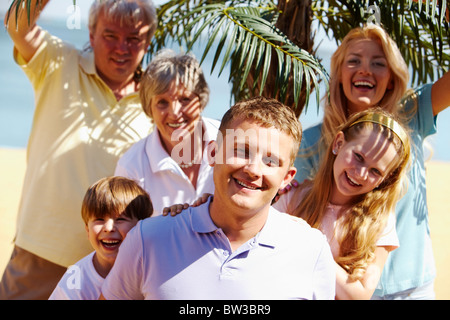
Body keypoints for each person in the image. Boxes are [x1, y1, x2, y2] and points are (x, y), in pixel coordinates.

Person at [100, 96, 336, 300]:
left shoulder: (310, 250)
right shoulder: (147, 239)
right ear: (213, 153)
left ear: (287, 177)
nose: (253, 169)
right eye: (241, 151)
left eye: (270, 161)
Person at [0, 0, 157, 300]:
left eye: (134, 38)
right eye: (110, 35)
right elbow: (17, 26)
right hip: (43, 250)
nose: (122, 48)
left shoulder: (157, 99)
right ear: (92, 33)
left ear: (147, 41)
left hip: (117, 260)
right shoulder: (59, 62)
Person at [294, 24, 450, 299]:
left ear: (391, 78)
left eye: (379, 63)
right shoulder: (309, 144)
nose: (365, 69)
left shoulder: (413, 114)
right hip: (340, 289)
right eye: (354, 61)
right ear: (340, 74)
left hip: (413, 289)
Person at [275, 109, 411, 299]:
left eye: (375, 171)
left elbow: (360, 295)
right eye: (359, 157)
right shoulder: (293, 197)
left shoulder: (380, 222)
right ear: (339, 143)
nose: (361, 173)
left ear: (385, 180)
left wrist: (312, 244)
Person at [114, 49, 219, 215]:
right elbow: (128, 236)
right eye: (162, 102)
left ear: (201, 100)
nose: (175, 113)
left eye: (185, 99)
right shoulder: (131, 168)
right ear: (149, 108)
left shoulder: (230, 141)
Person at [49, 176, 153, 300]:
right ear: (87, 229)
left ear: (141, 226)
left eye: (120, 219)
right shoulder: (76, 279)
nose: (109, 228)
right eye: (99, 219)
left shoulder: (152, 266)